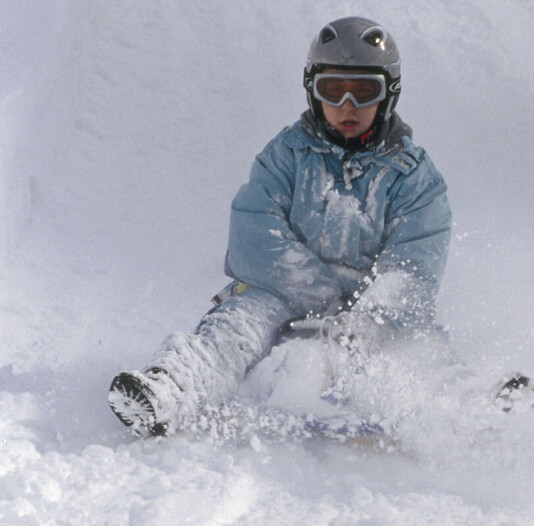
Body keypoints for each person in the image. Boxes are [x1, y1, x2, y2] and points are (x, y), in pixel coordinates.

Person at [106, 16, 453, 436]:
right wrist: (322, 294)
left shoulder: (412, 174)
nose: (347, 104)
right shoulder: (288, 154)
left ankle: (467, 409)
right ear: (312, 90)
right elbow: (255, 233)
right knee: (235, 326)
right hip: (283, 291)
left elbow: (414, 262)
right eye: (332, 89)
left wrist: (372, 316)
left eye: (364, 91)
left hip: (369, 306)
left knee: (415, 350)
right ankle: (170, 389)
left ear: (388, 94)